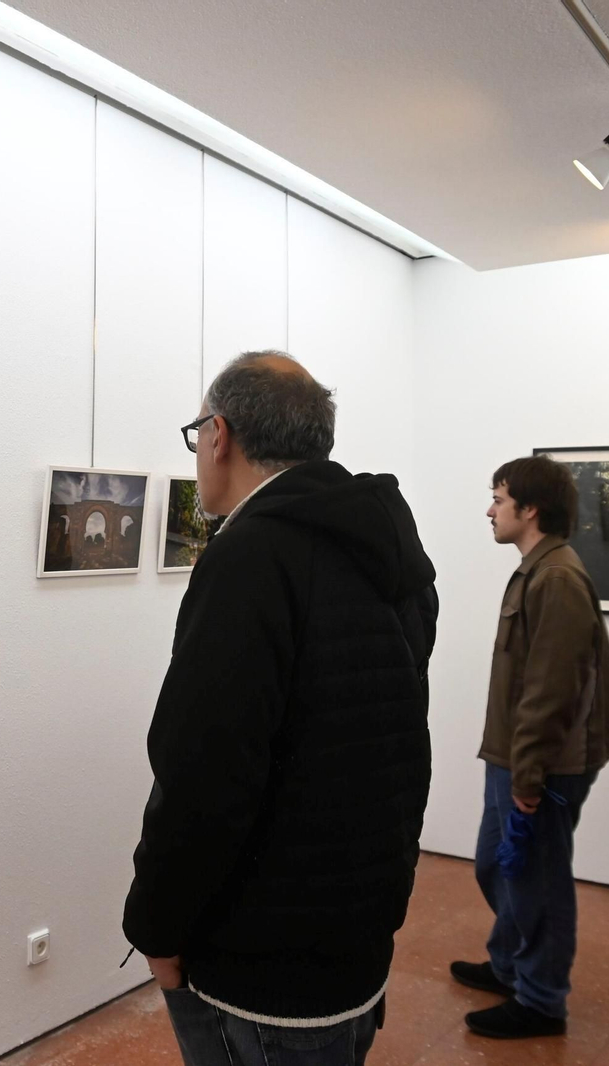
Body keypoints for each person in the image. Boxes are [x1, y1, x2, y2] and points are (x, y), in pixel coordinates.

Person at [122, 351, 439, 1066]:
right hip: (356, 932)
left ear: (219, 434)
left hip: (262, 958)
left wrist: (158, 927)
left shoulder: (252, 557)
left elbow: (205, 773)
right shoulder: (388, 545)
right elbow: (397, 743)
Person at [452, 455, 609, 1040]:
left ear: (531, 510)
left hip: (543, 763)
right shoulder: (537, 569)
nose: (490, 510)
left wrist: (528, 776)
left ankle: (542, 1000)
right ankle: (508, 965)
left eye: (499, 499)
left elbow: (552, 690)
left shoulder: (556, 578)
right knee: (496, 865)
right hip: (514, 754)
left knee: (537, 879)